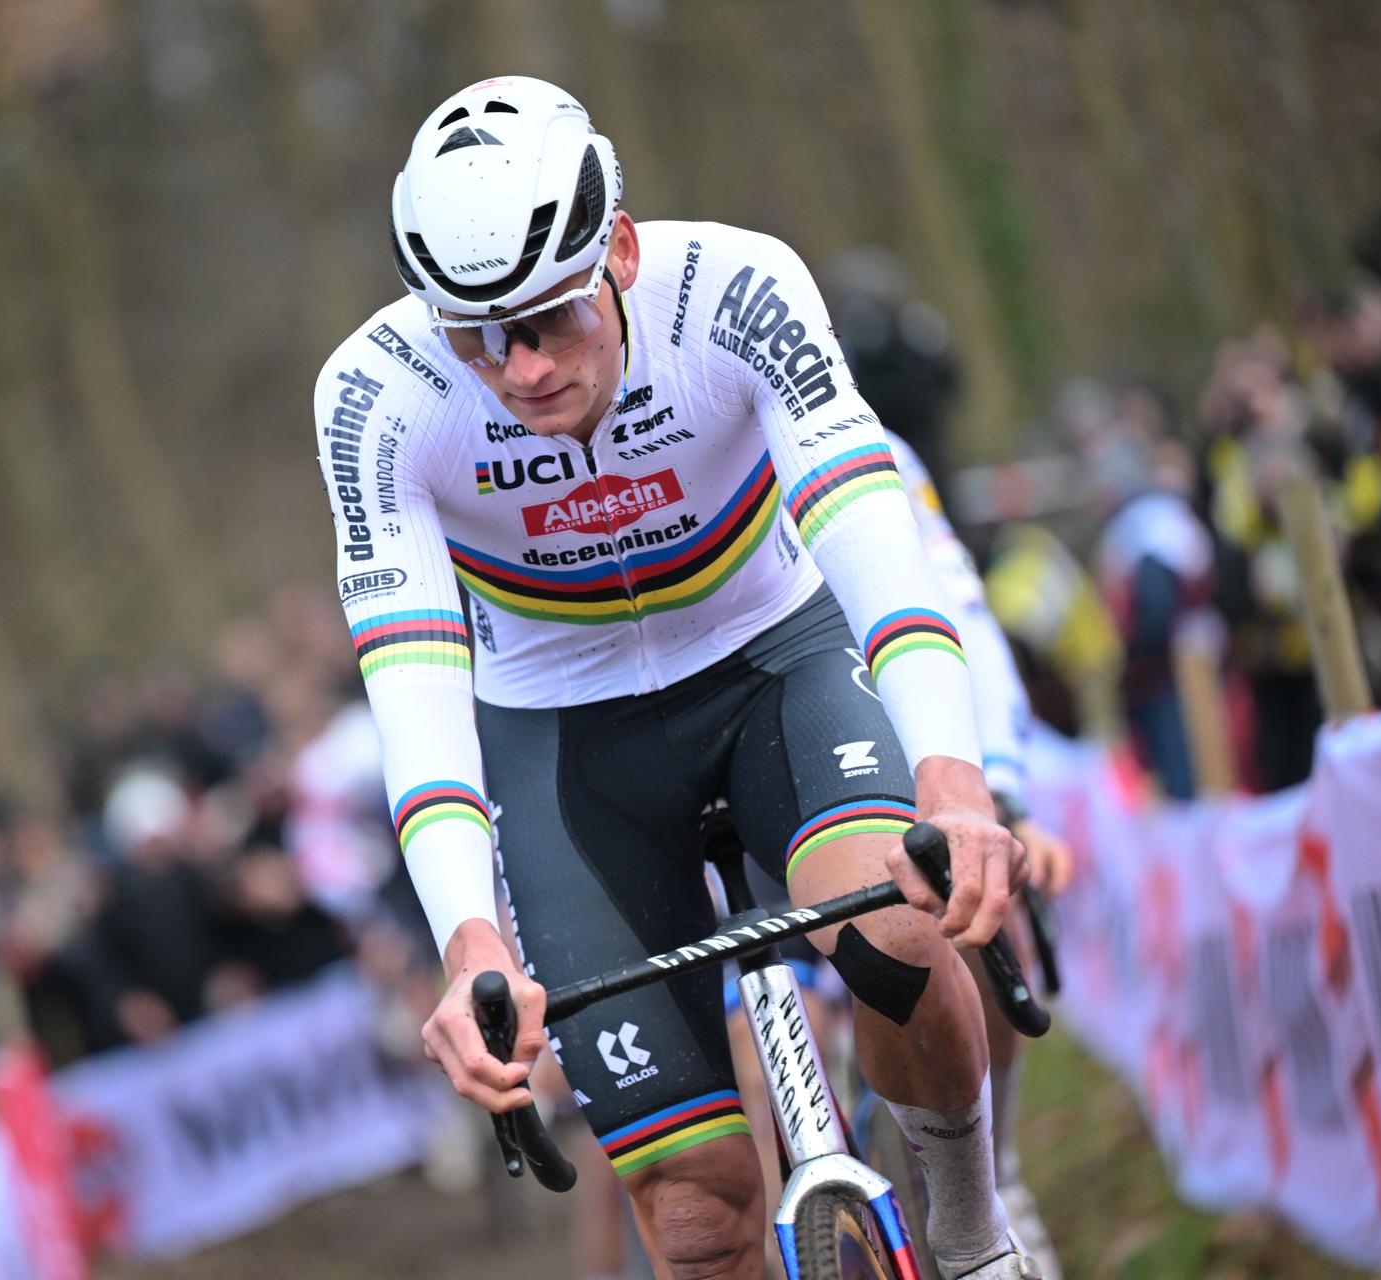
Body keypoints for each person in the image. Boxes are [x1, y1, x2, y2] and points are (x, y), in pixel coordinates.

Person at [315, 77, 1036, 1279]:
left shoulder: (733, 290)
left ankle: (973, 1238)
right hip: (565, 743)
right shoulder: (377, 395)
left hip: (775, 662)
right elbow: (414, 675)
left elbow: (871, 532)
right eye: (475, 335)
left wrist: (954, 777)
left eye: (551, 318)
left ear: (621, 252)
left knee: (899, 931)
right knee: (697, 1221)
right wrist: (469, 941)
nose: (521, 366)